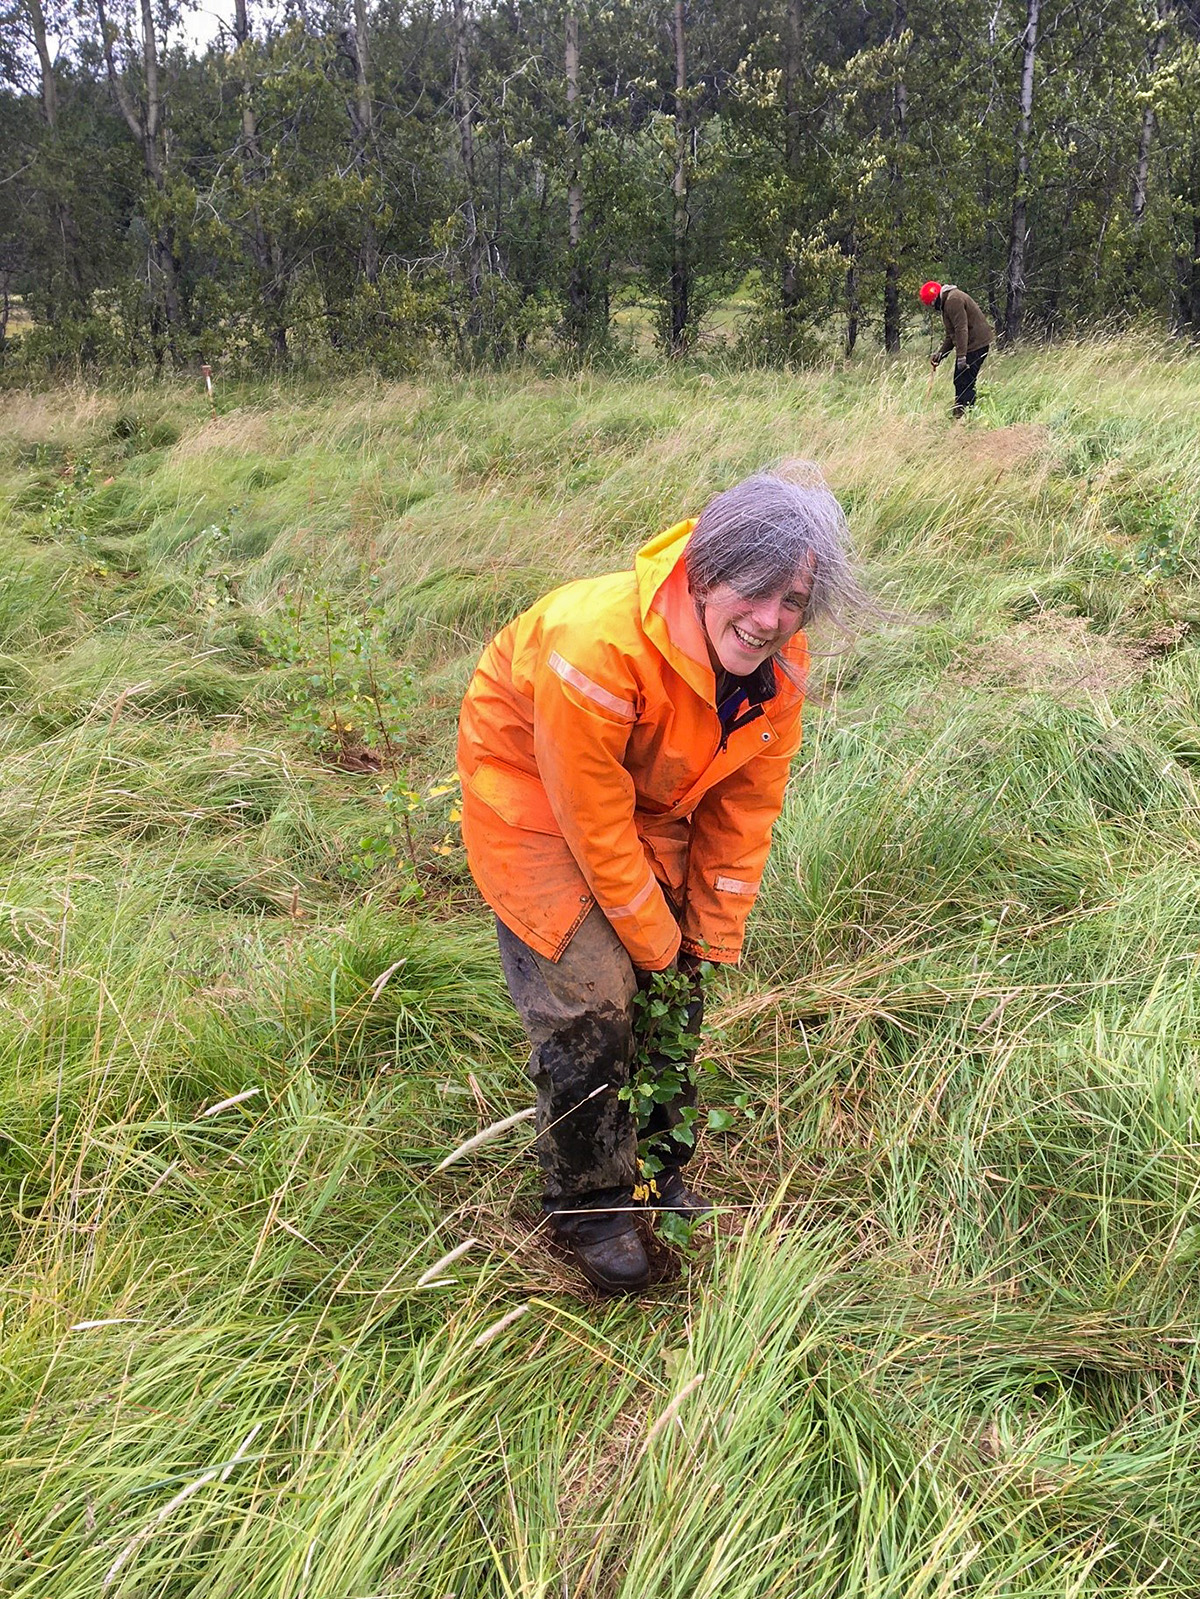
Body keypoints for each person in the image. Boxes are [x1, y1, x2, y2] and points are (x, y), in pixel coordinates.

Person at [456, 469, 861, 1294]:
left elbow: (745, 809)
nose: (770, 620)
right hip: (535, 792)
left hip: (647, 796)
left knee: (679, 985)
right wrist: (652, 943)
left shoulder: (779, 668)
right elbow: (593, 825)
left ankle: (653, 1168)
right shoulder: (596, 646)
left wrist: (705, 938)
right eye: (755, 591)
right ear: (707, 571)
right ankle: (590, 1200)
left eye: (793, 601)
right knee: (595, 993)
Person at [919, 280, 993, 417]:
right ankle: (962, 415)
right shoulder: (948, 301)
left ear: (934, 299)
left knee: (964, 381)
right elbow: (951, 335)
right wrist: (941, 354)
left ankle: (963, 417)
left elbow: (961, 329)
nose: (932, 307)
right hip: (971, 345)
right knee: (961, 380)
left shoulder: (953, 300)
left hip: (975, 345)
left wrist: (961, 357)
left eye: (930, 304)